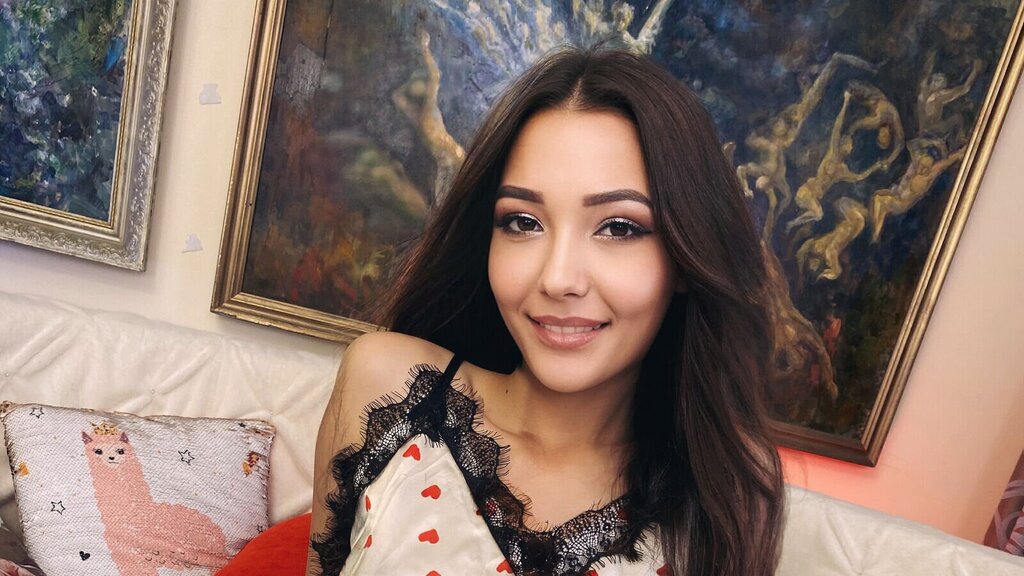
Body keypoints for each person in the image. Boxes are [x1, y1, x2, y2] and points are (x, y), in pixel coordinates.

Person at [306, 46, 785, 576]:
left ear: (686, 259)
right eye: (523, 222)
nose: (557, 279)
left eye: (619, 227)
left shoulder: (729, 488)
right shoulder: (387, 388)